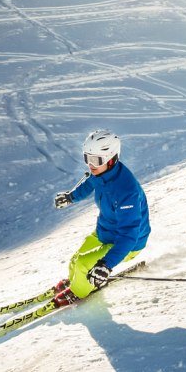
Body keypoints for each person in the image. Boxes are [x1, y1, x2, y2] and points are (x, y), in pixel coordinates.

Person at [51, 129, 151, 306]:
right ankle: (76, 281)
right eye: (87, 158)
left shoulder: (127, 192)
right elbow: (89, 183)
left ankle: (78, 292)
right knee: (75, 259)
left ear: (111, 159)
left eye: (96, 160)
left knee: (83, 264)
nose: (90, 165)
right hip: (105, 231)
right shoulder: (102, 172)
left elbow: (129, 235)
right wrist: (71, 197)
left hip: (128, 243)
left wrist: (106, 265)